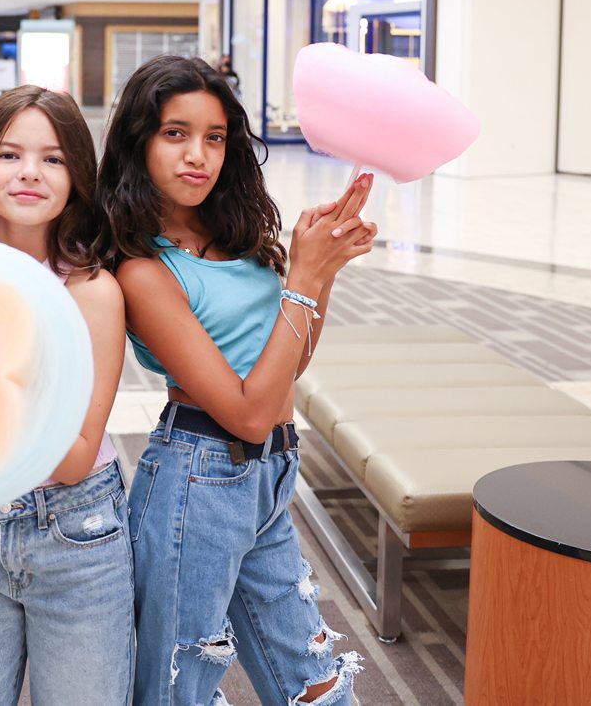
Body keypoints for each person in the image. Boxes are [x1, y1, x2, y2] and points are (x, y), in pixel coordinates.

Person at [98, 55, 375, 706]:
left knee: (315, 675)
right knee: (180, 685)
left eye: (215, 137)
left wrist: (321, 267)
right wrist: (303, 280)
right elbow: (247, 411)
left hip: (271, 475)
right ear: (140, 141)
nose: (199, 155)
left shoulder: (233, 238)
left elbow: (286, 372)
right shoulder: (142, 268)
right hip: (199, 478)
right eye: (175, 133)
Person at [0, 84, 133, 705]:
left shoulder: (91, 291)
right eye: (10, 154)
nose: (30, 174)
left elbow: (73, 457)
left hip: (78, 536)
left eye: (53, 159)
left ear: (77, 175)